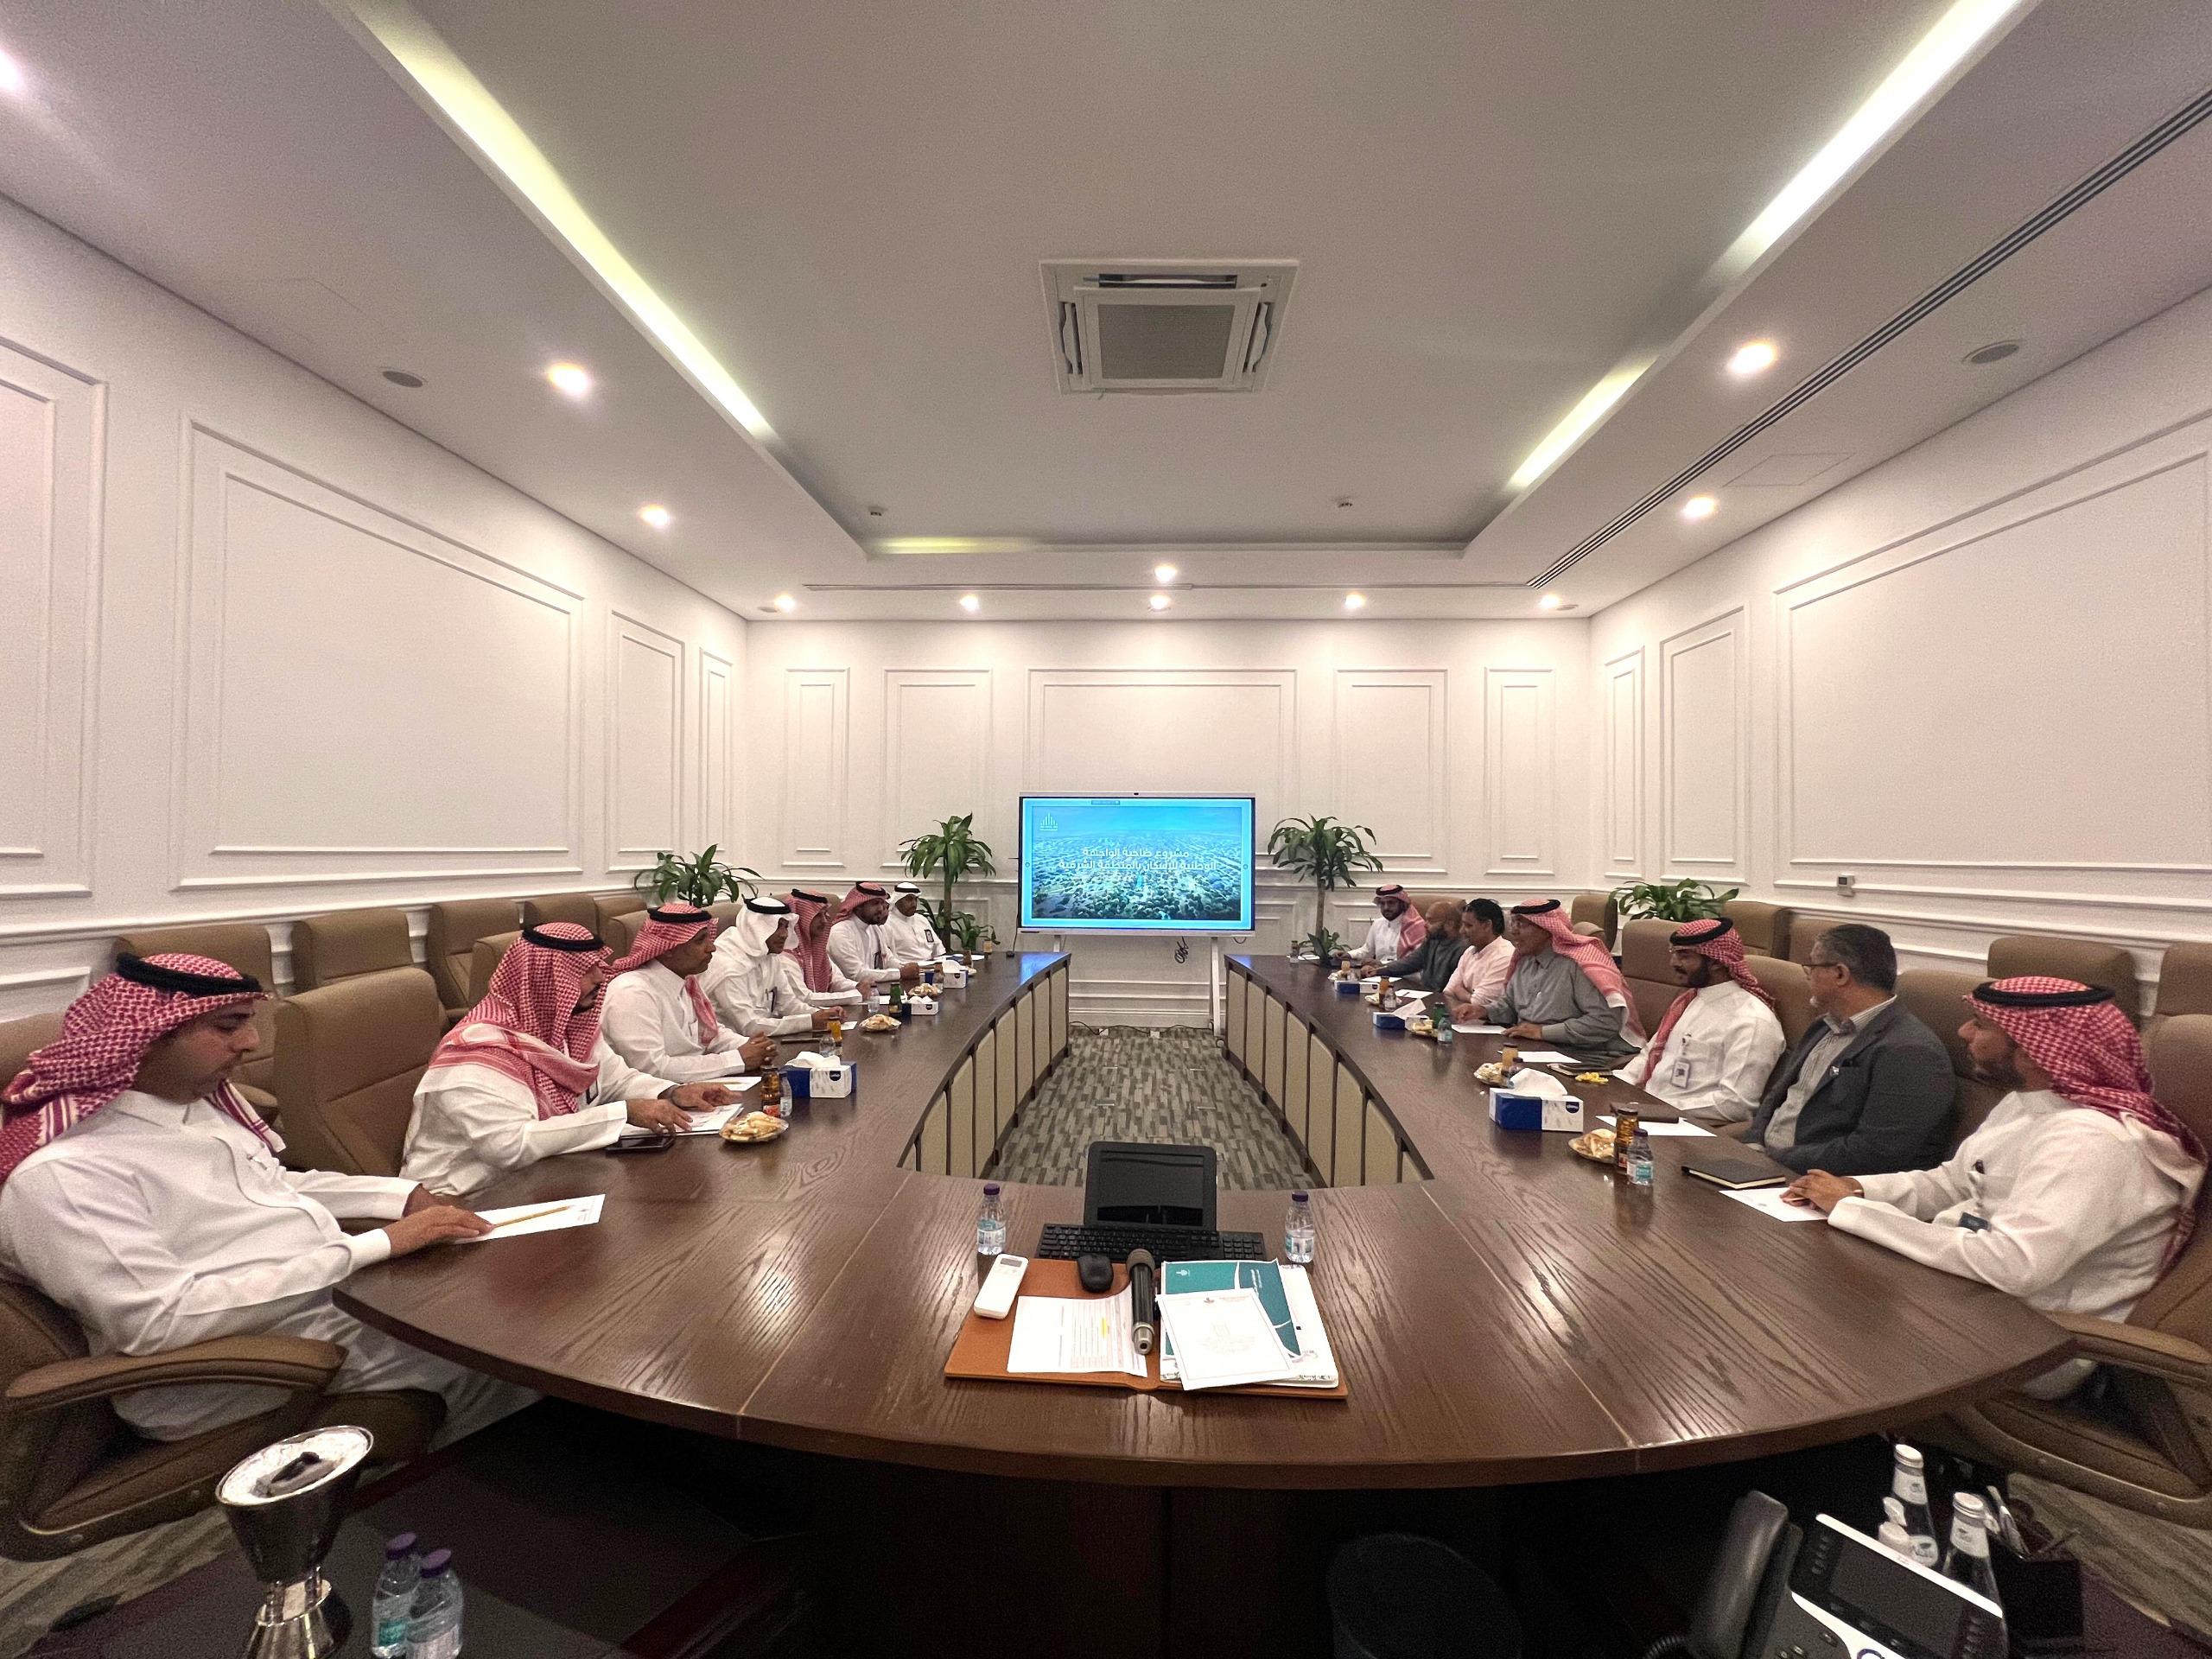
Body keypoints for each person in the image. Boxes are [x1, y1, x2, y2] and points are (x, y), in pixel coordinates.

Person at [0, 953, 533, 1445]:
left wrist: (399, 1195)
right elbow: (159, 1323)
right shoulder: (66, 1174)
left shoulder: (188, 1106)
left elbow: (274, 1185)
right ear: (149, 1037)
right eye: (227, 1026)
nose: (252, 1042)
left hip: (316, 1298)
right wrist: (375, 1246)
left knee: (501, 1298)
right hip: (226, 1364)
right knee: (495, 1348)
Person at [1787, 976, 2205, 1399]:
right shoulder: (2028, 1103)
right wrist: (1856, 1189)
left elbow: (2013, 1266)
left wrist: (1855, 1212)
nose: (1963, 1032)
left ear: (2035, 1051)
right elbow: (1952, 1182)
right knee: (1809, 1288)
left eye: (1981, 1025)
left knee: (1809, 1336)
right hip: (1971, 1293)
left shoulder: (2093, 1143)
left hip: (2032, 1338)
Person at [404, 924, 738, 1195]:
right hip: (464, 1195)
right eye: (585, 970)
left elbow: (617, 1080)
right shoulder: (477, 1053)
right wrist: (624, 1112)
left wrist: (672, 1092)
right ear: (547, 979)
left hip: (547, 1178)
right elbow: (509, 1145)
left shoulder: (569, 1026)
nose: (600, 978)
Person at [1742, 923, 1952, 1173]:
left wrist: (1774, 1159)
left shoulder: (1910, 1051)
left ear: (1840, 974)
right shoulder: (1823, 1026)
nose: (1808, 975)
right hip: (1764, 1161)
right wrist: (1753, 1144)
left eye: (1812, 967)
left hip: (1815, 1178)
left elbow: (1875, 1152)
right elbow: (1778, 1095)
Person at [1618, 917, 1786, 1130]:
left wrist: (1657, 1109)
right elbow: (1649, 1055)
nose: (1673, 963)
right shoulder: (1690, 1000)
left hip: (1686, 1127)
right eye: (1674, 954)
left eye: (1685, 956)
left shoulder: (1752, 1021)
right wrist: (1615, 1086)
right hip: (1643, 1111)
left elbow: (1735, 1104)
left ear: (1716, 962)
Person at [601, 904, 776, 1083]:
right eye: (700, 941)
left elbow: (711, 1034)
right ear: (668, 949)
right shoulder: (633, 992)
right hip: (656, 1094)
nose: (712, 948)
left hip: (694, 1085)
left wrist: (753, 1047)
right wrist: (736, 1059)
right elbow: (653, 1068)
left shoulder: (686, 981)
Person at [1478, 899, 1642, 1061]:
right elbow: (1510, 1006)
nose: (1513, 931)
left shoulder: (1579, 965)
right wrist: (1484, 1011)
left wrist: (1543, 1032)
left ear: (1546, 929)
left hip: (1586, 1055)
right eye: (1513, 923)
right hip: (1537, 1049)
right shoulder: (1525, 960)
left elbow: (1605, 1022)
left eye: (1521, 924)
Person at [706, 896, 841, 1038]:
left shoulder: (769, 956)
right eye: (776, 926)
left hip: (766, 1040)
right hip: (734, 1044)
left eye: (786, 927)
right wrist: (810, 1022)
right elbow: (749, 1026)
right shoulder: (729, 964)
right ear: (756, 928)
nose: (784, 935)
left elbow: (789, 1005)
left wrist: (823, 1014)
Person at [828, 882, 924, 993]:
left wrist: (911, 968)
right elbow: (857, 974)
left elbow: (888, 960)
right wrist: (900, 973)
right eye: (875, 903)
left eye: (882, 903)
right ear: (858, 905)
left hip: (875, 992)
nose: (881, 909)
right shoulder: (840, 932)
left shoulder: (873, 928)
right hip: (851, 996)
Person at [783, 888, 864, 1008]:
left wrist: (857, 986)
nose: (825, 921)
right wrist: (856, 994)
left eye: (825, 914)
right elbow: (805, 998)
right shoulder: (786, 952)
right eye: (818, 915)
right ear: (800, 917)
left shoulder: (817, 949)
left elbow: (836, 981)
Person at [1442, 899, 1514, 1024]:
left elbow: (1478, 1003)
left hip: (1491, 1026)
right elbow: (1449, 990)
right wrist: (1465, 994)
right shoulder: (1470, 951)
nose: (1462, 931)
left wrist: (1460, 990)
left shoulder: (1505, 955)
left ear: (1487, 925)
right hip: (1464, 1019)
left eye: (1468, 926)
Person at [1373, 899, 1468, 995]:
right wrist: (1378, 970)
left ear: (1450, 925)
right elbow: (1409, 963)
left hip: (1441, 999)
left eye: (1431, 921)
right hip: (1426, 995)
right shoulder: (1432, 940)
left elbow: (1452, 990)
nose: (1425, 925)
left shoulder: (1461, 950)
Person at [1353, 885, 1426, 967]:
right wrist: (1349, 955)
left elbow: (1414, 961)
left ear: (1402, 904)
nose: (1386, 907)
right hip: (1378, 972)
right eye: (1382, 903)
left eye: (1391, 903)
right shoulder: (1378, 924)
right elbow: (1367, 950)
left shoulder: (1416, 927)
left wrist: (1382, 964)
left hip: (1406, 973)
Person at [881, 882, 944, 965]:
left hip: (932, 966)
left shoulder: (921, 919)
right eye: (909, 899)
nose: (914, 903)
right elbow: (888, 959)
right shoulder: (887, 923)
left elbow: (938, 947)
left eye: (915, 899)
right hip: (906, 968)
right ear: (897, 900)